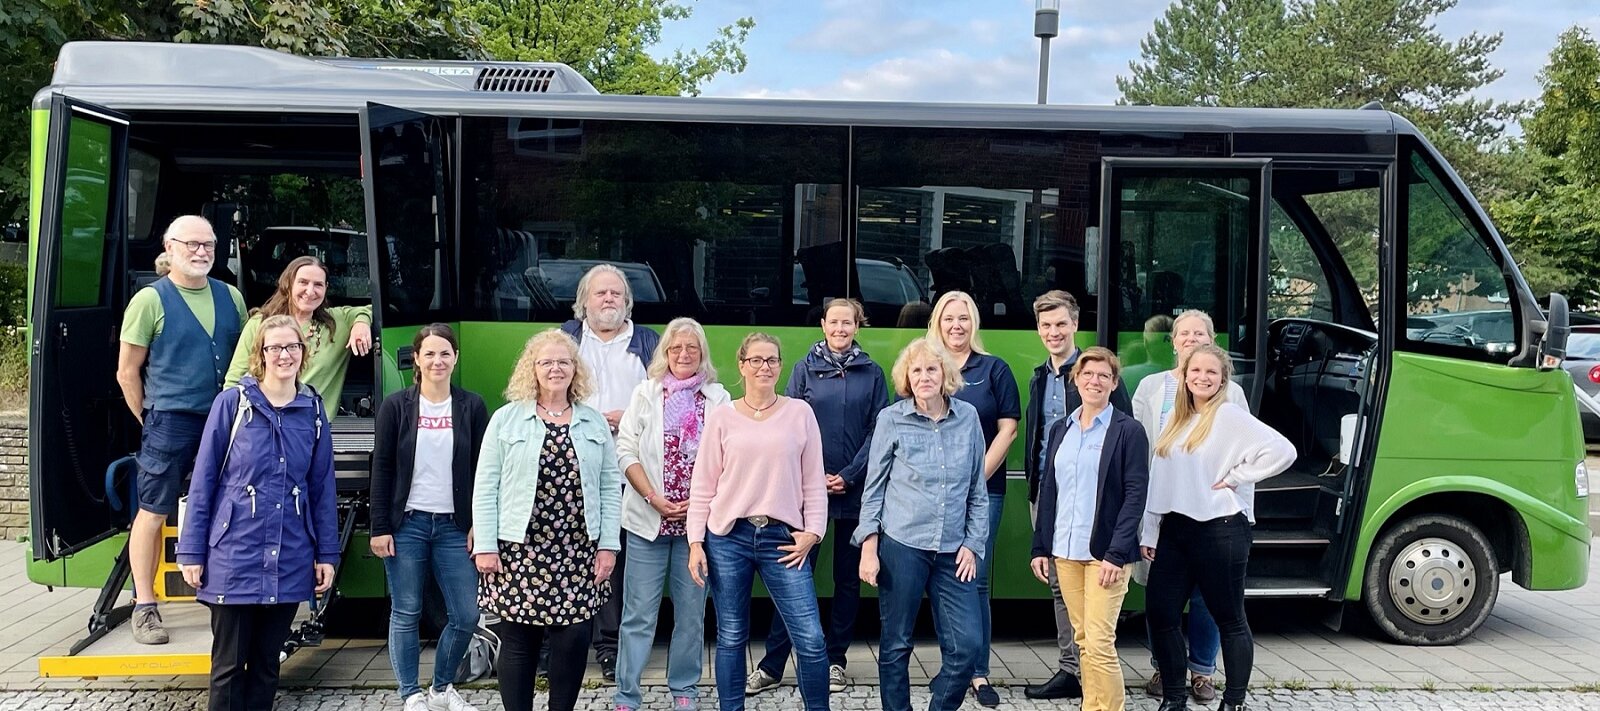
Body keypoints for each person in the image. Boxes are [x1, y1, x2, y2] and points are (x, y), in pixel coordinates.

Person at [176, 314, 339, 711]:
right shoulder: (232, 405)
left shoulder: (313, 410)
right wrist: (191, 551)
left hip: (289, 555)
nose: (284, 355)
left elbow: (321, 488)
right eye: (275, 347)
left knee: (268, 665)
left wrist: (327, 554)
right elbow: (204, 481)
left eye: (292, 347)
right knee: (228, 667)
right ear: (260, 355)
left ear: (303, 353)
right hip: (234, 555)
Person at [473, 330, 622, 711]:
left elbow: (609, 486)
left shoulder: (592, 422)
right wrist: (486, 545)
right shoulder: (507, 419)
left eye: (564, 361)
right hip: (519, 550)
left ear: (575, 369)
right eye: (546, 362)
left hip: (578, 550)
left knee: (572, 642)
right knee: (519, 643)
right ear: (532, 369)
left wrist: (608, 545)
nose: (555, 368)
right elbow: (486, 485)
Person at [116, 215, 248, 645]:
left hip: (226, 420)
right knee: (153, 512)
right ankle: (144, 606)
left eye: (208, 244)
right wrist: (149, 418)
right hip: (169, 421)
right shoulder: (149, 301)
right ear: (169, 248)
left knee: (226, 507)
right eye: (191, 244)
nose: (201, 251)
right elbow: (127, 373)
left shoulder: (231, 297)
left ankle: (222, 594)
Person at [1141, 344, 1295, 711]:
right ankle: (1174, 698)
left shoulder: (1228, 416)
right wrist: (1149, 531)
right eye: (1196, 371)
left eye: (1211, 372)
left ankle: (1234, 701)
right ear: (1184, 374)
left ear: (1223, 379)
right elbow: (1158, 478)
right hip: (1175, 529)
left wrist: (1238, 477)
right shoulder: (1177, 418)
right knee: (1161, 614)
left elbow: (1283, 450)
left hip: (1220, 530)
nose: (1202, 377)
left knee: (1229, 618)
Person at [750, 298, 887, 696]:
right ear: (823, 325)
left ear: (857, 327)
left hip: (853, 493)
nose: (841, 329)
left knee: (847, 581)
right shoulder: (803, 369)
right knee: (793, 577)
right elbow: (787, 425)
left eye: (848, 322)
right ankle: (772, 664)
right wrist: (813, 477)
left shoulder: (872, 373)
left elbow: (878, 431)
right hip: (805, 496)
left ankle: (835, 662)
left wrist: (848, 475)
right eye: (834, 322)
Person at [687, 333, 830, 711]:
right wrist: (696, 542)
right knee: (732, 635)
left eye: (771, 360)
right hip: (728, 537)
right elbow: (704, 484)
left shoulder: (800, 413)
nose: (764, 367)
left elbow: (814, 480)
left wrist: (813, 533)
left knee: (811, 639)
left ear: (781, 366)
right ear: (742, 365)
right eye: (756, 360)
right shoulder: (722, 418)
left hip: (783, 539)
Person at [855, 337, 987, 711]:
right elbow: (874, 488)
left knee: (967, 646)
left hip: (953, 550)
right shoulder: (891, 419)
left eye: (932, 368)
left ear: (945, 373)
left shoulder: (968, 418)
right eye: (917, 370)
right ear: (906, 378)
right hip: (902, 546)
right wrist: (869, 547)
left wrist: (973, 543)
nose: (925, 376)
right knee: (896, 643)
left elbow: (977, 489)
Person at [370, 324, 490, 711]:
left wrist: (480, 524)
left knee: (466, 613)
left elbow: (483, 470)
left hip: (455, 527)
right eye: (429, 354)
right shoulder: (395, 406)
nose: (437, 360)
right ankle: (410, 693)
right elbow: (383, 468)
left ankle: (441, 688)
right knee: (406, 610)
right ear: (417, 360)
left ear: (455, 358)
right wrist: (379, 527)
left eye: (445, 353)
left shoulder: (471, 406)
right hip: (408, 524)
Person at [1020, 291, 1133, 701]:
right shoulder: (1039, 375)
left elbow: (1124, 452)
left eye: (1061, 324)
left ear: (1075, 325)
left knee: (1095, 618)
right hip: (1051, 495)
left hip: (1095, 504)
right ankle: (1073, 668)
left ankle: (1087, 674)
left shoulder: (1096, 374)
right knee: (1057, 586)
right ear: (1039, 330)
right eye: (1046, 326)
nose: (1054, 332)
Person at [612, 318, 729, 711]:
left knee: (691, 616)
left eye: (692, 348)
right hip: (648, 520)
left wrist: (699, 504)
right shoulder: (645, 394)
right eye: (676, 348)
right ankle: (627, 695)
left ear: (702, 354)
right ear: (664, 352)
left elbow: (728, 457)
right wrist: (652, 497)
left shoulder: (718, 398)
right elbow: (625, 450)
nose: (683, 355)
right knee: (638, 616)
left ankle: (685, 690)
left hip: (696, 527)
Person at [1130, 309, 1246, 703]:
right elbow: (1140, 449)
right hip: (1163, 511)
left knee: (1207, 599)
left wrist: (1234, 488)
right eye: (1184, 333)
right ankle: (1165, 671)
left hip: (1214, 515)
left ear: (1211, 341)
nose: (1191, 338)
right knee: (1160, 599)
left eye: (1201, 333)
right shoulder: (1150, 387)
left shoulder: (1230, 392)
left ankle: (1202, 672)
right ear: (1174, 341)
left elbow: (1251, 451)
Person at [1029, 347, 1149, 711]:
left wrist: (1117, 553)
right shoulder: (1060, 428)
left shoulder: (1128, 431)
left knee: (1099, 640)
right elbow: (1049, 490)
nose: (1094, 381)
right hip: (1065, 553)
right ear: (1075, 380)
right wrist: (1040, 547)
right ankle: (1090, 706)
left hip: (1104, 555)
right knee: (1082, 638)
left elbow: (1134, 496)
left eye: (1103, 376)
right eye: (1087, 374)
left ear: (1114, 384)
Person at [559, 263, 660, 680]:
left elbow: (664, 399)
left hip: (627, 470)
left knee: (614, 559)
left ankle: (610, 646)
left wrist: (630, 416)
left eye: (616, 294)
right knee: (566, 553)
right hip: (571, 467)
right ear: (584, 301)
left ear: (627, 301)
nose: (608, 300)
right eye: (600, 294)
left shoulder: (647, 342)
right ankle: (559, 642)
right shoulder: (566, 339)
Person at [926, 290, 1019, 708]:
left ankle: (978, 673)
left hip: (983, 491)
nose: (957, 326)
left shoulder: (993, 369)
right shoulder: (925, 367)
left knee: (974, 580)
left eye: (964, 318)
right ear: (938, 323)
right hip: (931, 494)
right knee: (939, 579)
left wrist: (974, 481)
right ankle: (952, 668)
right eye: (949, 318)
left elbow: (1008, 430)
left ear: (974, 323)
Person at [225, 255, 373, 418]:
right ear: (288, 284)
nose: (310, 291)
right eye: (303, 282)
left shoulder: (336, 323)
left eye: (318, 284)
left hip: (313, 429)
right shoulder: (260, 324)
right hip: (264, 425)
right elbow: (234, 381)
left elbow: (377, 309)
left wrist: (361, 323)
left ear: (326, 288)